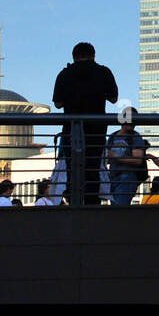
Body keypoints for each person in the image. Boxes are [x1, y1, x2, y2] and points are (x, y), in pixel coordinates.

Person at [51, 42, 119, 205]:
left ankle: (73, 202)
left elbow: (58, 103)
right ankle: (91, 204)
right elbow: (114, 98)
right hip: (96, 129)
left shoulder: (64, 74)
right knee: (93, 168)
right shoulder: (103, 72)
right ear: (93, 55)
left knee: (72, 168)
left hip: (71, 130)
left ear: (74, 57)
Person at [105, 116, 149, 207]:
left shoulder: (134, 137)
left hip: (126, 177)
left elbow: (137, 160)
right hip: (115, 177)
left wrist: (116, 157)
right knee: (118, 210)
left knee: (119, 210)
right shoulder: (113, 136)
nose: (132, 123)